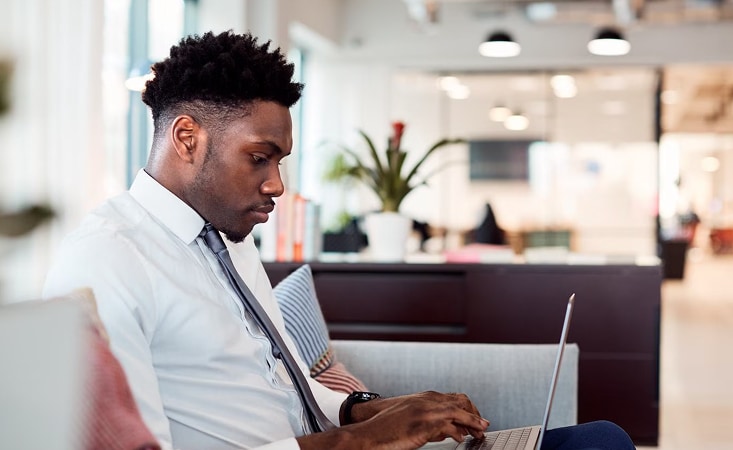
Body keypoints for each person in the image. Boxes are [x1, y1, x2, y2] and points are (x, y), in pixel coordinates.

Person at [43, 31, 635, 450]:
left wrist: (367, 408)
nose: (276, 185)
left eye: (280, 161)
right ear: (186, 138)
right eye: (259, 158)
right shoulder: (109, 259)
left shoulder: (228, 238)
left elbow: (281, 384)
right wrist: (363, 440)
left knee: (603, 438)